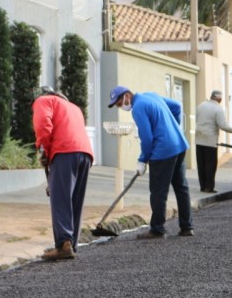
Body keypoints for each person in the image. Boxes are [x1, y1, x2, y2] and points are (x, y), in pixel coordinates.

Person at [109, 85, 193, 239]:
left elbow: (147, 138)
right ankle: (187, 227)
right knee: (181, 187)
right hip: (179, 144)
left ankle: (157, 229)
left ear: (127, 95)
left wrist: (142, 160)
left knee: (158, 191)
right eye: (118, 106)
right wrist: (172, 128)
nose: (121, 107)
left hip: (163, 150)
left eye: (120, 103)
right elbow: (176, 106)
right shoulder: (152, 95)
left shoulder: (138, 108)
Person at [32, 86, 94, 260]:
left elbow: (43, 124)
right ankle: (71, 243)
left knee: (60, 198)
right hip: (85, 154)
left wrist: (43, 150)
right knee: (75, 199)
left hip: (65, 151)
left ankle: (63, 244)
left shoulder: (43, 101)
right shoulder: (73, 107)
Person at [195, 89, 232, 193]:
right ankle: (209, 187)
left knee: (201, 164)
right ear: (219, 98)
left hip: (199, 139)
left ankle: (202, 186)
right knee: (210, 165)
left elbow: (197, 120)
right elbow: (223, 125)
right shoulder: (217, 109)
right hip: (210, 140)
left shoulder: (201, 105)